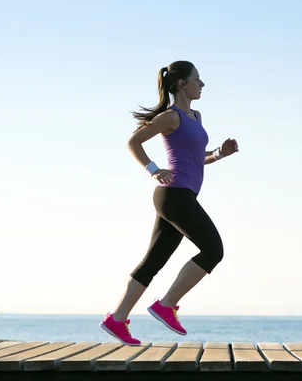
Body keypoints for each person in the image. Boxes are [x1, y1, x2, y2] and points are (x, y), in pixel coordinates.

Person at [99, 61, 239, 345]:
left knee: (154, 260)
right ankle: (166, 305)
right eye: (197, 79)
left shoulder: (196, 117)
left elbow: (196, 159)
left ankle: (117, 319)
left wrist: (220, 154)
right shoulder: (170, 116)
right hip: (173, 195)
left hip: (182, 195)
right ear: (181, 84)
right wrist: (153, 169)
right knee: (213, 249)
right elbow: (134, 142)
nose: (202, 84)